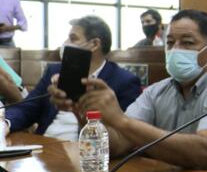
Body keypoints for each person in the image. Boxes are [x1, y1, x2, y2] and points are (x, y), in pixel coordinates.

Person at [53, 10, 207, 172]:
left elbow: (204, 152)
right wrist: (84, 109)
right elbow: (116, 146)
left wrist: (122, 121)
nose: (175, 50)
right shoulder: (157, 91)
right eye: (170, 43)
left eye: (188, 43)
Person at [7, 16, 141, 141]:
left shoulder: (125, 81)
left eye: (73, 38)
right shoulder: (54, 71)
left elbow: (122, 136)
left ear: (94, 44)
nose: (65, 44)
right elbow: (26, 109)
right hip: (47, 147)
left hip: (88, 153)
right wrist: (4, 124)